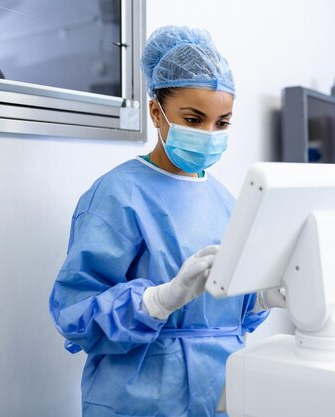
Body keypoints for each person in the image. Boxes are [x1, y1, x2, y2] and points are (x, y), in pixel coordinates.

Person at [49, 26, 285, 417]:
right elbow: (75, 313)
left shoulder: (227, 202)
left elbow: (226, 321)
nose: (209, 135)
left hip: (221, 393)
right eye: (193, 120)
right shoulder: (118, 194)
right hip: (140, 399)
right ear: (157, 112)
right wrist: (158, 300)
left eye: (222, 123)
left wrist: (258, 297)